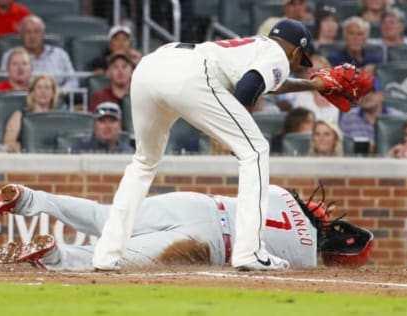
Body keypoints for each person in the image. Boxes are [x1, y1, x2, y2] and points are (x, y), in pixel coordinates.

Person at [91, 18, 334, 272]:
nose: (297, 65)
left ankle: (106, 254)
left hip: (150, 68)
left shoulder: (254, 47)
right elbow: (250, 85)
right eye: (300, 59)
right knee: (255, 151)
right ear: (295, 50)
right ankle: (250, 252)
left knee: (143, 162)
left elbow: (264, 82)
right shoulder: (278, 55)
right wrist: (232, 135)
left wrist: (312, 85)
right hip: (188, 75)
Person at [0, 183, 335, 270]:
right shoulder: (308, 257)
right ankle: (56, 255)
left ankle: (27, 197)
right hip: (208, 242)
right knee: (112, 259)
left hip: (197, 203)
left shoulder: (281, 193)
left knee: (104, 218)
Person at [0, 15, 78, 90]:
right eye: (28, 32)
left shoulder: (60, 54)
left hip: (56, 100)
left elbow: (73, 81)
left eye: (36, 32)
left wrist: (58, 92)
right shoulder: (10, 55)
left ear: (43, 34)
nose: (32, 36)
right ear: (21, 35)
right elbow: (3, 83)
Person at [339, 78, 402, 154]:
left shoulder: (397, 118)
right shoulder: (349, 117)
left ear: (382, 95)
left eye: (372, 92)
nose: (367, 96)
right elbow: (343, 147)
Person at [3, 75, 60, 153]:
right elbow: (8, 142)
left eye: (47, 88)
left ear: (53, 93)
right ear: (32, 93)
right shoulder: (19, 115)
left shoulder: (59, 117)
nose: (43, 91)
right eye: (39, 87)